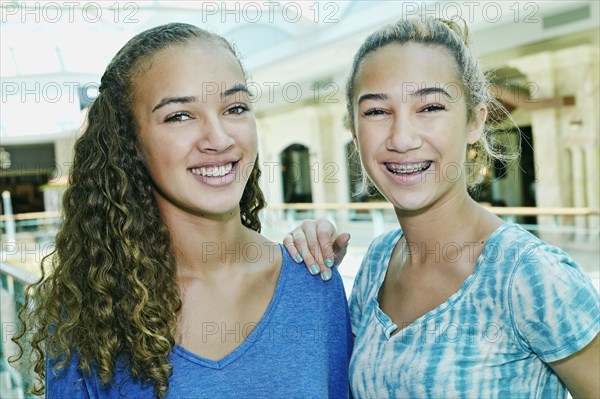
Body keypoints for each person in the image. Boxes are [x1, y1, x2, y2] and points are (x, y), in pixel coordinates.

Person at [10, 23, 352, 399]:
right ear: (131, 142)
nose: (219, 139)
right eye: (180, 116)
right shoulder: (92, 312)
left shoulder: (313, 283)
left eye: (235, 108)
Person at [284, 17, 600, 398]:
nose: (402, 138)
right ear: (354, 131)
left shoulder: (530, 275)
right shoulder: (377, 263)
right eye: (376, 112)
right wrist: (308, 267)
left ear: (475, 121)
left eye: (430, 106)